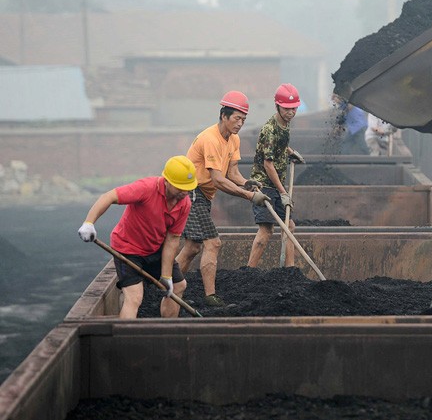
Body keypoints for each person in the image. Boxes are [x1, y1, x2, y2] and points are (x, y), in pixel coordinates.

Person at [175, 91, 269, 307]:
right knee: (213, 243)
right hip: (191, 192)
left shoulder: (233, 139)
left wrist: (246, 182)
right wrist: (249, 196)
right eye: (237, 118)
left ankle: (168, 288)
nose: (240, 124)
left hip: (204, 195)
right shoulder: (210, 139)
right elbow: (218, 179)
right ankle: (210, 296)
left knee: (191, 247)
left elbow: (232, 173)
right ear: (223, 116)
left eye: (243, 120)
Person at [77, 155, 198, 318]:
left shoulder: (184, 204)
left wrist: (166, 276)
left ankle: (168, 329)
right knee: (134, 297)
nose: (184, 192)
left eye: (187, 188)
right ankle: (125, 340)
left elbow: (172, 239)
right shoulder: (146, 188)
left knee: (178, 286)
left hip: (154, 248)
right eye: (180, 187)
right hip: (128, 248)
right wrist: (89, 223)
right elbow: (109, 196)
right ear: (166, 181)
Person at [247, 83, 305, 268]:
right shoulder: (270, 130)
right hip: (265, 184)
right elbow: (268, 164)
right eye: (287, 109)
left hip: (277, 184)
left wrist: (290, 152)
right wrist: (283, 193)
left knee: (289, 227)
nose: (291, 112)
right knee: (266, 230)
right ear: (277, 106)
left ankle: (290, 269)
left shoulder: (284, 125)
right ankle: (250, 270)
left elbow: (278, 147)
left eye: (294, 108)